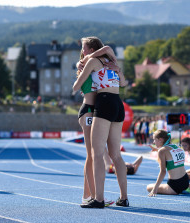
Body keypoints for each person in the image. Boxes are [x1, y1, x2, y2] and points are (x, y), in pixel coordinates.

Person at [73, 36, 129, 208]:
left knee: (97, 154)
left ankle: (98, 198)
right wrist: (118, 70)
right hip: (118, 104)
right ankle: (124, 198)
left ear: (91, 49)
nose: (82, 52)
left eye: (84, 48)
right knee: (116, 155)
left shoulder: (92, 61)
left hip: (103, 102)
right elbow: (124, 83)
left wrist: (83, 70)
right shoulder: (112, 61)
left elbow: (76, 87)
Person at [147, 130, 190, 196]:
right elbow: (169, 154)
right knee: (181, 183)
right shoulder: (176, 147)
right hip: (185, 181)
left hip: (174, 186)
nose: (153, 142)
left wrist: (155, 189)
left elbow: (163, 172)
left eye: (154, 140)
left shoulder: (162, 151)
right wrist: (157, 150)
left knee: (149, 187)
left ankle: (184, 189)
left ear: (160, 140)